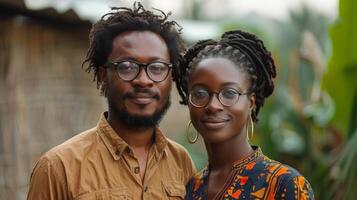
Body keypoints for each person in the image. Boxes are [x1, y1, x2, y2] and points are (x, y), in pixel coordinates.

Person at [27, 3, 195, 199]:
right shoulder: (58, 168)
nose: (143, 80)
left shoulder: (181, 162)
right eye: (127, 66)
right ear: (102, 76)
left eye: (157, 67)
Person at [175, 30, 314, 199]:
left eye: (229, 93)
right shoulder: (191, 188)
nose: (213, 105)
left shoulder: (284, 184)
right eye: (200, 93)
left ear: (250, 102)